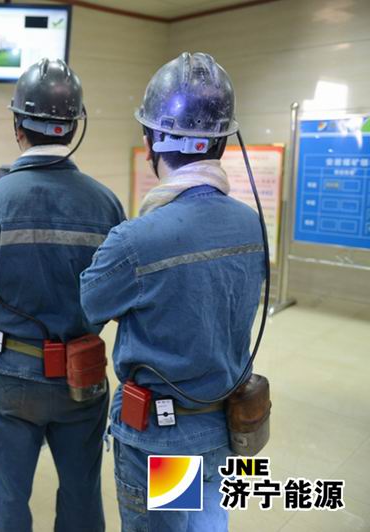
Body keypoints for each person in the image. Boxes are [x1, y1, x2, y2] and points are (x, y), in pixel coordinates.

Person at [79, 52, 265, 531]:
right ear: (223, 142)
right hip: (225, 428)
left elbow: (91, 304)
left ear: (150, 143)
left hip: (165, 439)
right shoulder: (252, 226)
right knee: (207, 524)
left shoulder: (137, 239)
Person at [0, 59, 126, 531]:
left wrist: (8, 319)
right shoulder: (106, 203)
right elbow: (114, 294)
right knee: (82, 489)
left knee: (9, 494)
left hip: (10, 370)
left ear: (17, 126)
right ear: (74, 127)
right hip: (81, 371)